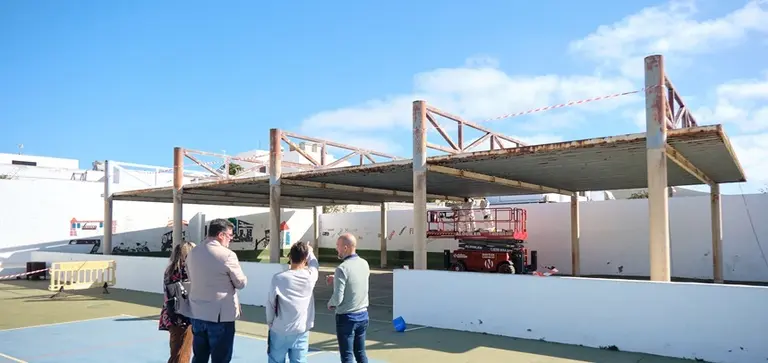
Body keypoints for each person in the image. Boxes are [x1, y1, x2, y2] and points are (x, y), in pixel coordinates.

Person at [185, 219, 248, 363]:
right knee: (221, 359)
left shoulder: (193, 252)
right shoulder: (227, 255)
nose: (231, 239)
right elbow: (240, 283)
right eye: (230, 235)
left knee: (199, 357)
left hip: (197, 313)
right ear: (221, 235)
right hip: (220, 316)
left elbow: (190, 276)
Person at [265, 241, 319, 363]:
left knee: (275, 360)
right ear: (305, 259)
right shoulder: (310, 277)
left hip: (280, 329)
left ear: (290, 257)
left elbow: (271, 303)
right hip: (301, 330)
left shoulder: (278, 278)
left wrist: (270, 322)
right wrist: (310, 251)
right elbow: (314, 264)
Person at [327, 233, 370, 363]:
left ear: (345, 248)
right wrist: (336, 280)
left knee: (347, 356)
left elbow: (338, 298)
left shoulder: (342, 268)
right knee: (361, 353)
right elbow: (357, 281)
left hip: (347, 318)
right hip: (363, 315)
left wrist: (331, 303)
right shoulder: (364, 263)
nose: (336, 248)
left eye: (338, 246)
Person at [158, 240, 196, 363]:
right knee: (183, 353)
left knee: (176, 351)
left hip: (171, 314)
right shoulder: (188, 271)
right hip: (185, 315)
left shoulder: (170, 270)